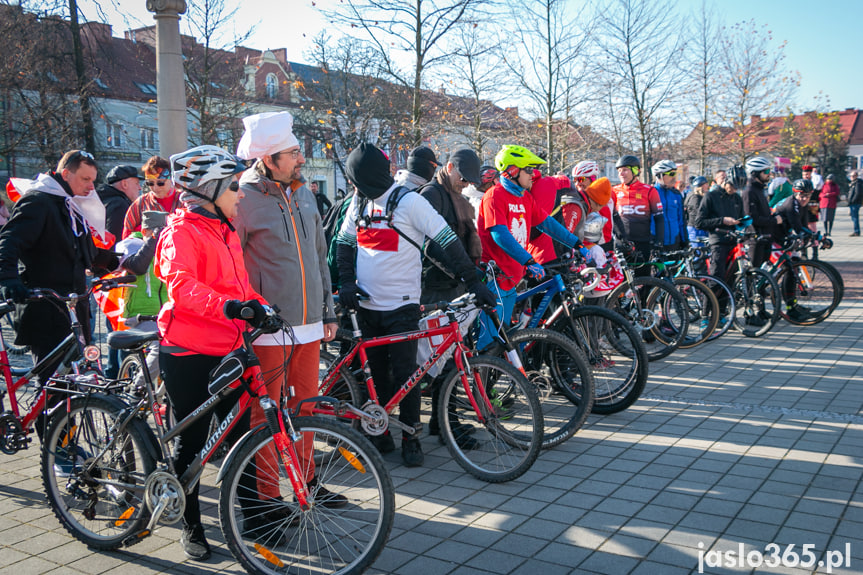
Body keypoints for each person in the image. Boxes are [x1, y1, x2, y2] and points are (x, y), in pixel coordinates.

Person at [335, 143, 494, 468]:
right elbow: (344, 243)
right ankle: (380, 434)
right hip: (367, 306)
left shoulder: (409, 202)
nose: (353, 186)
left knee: (408, 376)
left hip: (403, 307)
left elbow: (447, 240)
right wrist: (347, 282)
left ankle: (411, 436)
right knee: (376, 376)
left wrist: (473, 281)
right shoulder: (360, 201)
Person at [155, 145, 269, 560]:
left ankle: (256, 517)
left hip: (228, 348)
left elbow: (239, 288)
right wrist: (228, 307)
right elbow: (180, 286)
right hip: (189, 351)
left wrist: (262, 306)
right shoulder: (180, 232)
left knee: (242, 436)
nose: (241, 194)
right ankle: (190, 524)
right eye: (234, 186)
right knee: (194, 442)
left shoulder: (224, 230)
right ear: (209, 189)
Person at [233, 111, 343, 512]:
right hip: (267, 329)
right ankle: (267, 498)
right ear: (268, 159)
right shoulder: (242, 199)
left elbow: (318, 255)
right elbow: (233, 264)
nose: (301, 158)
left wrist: (328, 311)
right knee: (266, 415)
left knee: (306, 408)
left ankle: (307, 482)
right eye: (293, 152)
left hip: (311, 323)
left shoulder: (303, 192)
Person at [0, 150, 117, 379]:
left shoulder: (69, 204)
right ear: (66, 174)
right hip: (45, 309)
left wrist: (116, 262)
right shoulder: (38, 200)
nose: (91, 187)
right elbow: (8, 240)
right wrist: (9, 279)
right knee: (52, 390)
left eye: (93, 180)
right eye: (85, 179)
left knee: (75, 387)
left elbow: (82, 251)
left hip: (72, 310)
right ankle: (42, 416)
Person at [475, 144, 586, 351]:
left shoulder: (525, 197)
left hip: (512, 278)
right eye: (528, 169)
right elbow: (500, 234)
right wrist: (529, 260)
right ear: (512, 171)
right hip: (495, 279)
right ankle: (480, 380)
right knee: (490, 341)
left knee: (502, 339)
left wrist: (576, 244)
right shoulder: (494, 196)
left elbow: (547, 224)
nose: (533, 174)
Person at [419, 147, 483, 302]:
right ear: (449, 168)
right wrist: (465, 274)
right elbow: (430, 244)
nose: (466, 185)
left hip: (456, 284)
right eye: (463, 179)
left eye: (470, 182)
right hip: (435, 287)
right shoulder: (431, 194)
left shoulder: (460, 199)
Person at [113, 210, 168, 387]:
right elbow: (138, 267)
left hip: (165, 314)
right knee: (160, 348)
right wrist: (153, 240)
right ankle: (136, 389)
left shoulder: (169, 247)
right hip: (139, 314)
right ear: (145, 231)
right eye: (160, 231)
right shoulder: (130, 244)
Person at [694, 165, 745, 306]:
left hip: (733, 241)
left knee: (729, 281)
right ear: (726, 180)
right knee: (716, 280)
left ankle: (722, 312)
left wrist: (744, 224)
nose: (734, 190)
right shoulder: (711, 196)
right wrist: (722, 220)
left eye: (737, 188)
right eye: (733, 186)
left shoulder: (736, 198)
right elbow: (699, 222)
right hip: (718, 242)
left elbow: (740, 218)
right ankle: (706, 314)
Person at [772, 179, 817, 322]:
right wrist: (812, 236)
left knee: (793, 269)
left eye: (808, 196)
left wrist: (816, 236)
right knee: (788, 270)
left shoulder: (802, 205)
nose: (805, 199)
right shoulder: (791, 204)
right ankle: (789, 308)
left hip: (784, 237)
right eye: (802, 195)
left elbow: (804, 225)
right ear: (795, 193)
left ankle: (792, 305)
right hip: (773, 237)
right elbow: (798, 227)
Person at [613, 155, 664, 270]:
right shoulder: (614, 191)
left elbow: (659, 218)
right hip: (621, 244)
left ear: (636, 171)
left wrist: (658, 243)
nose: (621, 173)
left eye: (625, 170)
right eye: (619, 170)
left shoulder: (649, 190)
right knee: (622, 284)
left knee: (644, 282)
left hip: (642, 243)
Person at [123, 156, 182, 238]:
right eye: (150, 183)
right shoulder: (140, 203)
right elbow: (127, 234)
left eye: (160, 183)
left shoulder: (183, 201)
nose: (155, 188)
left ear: (171, 179)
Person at [741, 156, 781, 268]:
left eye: (770, 171)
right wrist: (773, 220)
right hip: (755, 240)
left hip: (765, 237)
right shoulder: (749, 191)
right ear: (755, 173)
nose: (769, 174)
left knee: (762, 276)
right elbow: (752, 218)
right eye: (766, 171)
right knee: (753, 273)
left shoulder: (760, 189)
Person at [98, 164, 142, 240]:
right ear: (124, 184)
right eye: (136, 183)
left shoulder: (102, 200)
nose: (140, 188)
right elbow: (117, 241)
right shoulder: (120, 205)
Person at [651, 160, 687, 251]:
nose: (674, 177)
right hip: (657, 243)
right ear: (660, 175)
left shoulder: (676, 194)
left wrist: (685, 240)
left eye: (675, 173)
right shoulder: (650, 193)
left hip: (675, 242)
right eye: (671, 174)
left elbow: (681, 219)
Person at [684, 176, 710, 275]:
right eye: (706, 184)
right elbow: (697, 214)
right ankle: (695, 277)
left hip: (698, 228)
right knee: (697, 254)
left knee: (702, 254)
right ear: (701, 186)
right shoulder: (695, 198)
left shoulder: (698, 196)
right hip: (695, 229)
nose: (707, 186)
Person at [801, 165, 820, 232]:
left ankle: (815, 241)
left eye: (807, 174)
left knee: (812, 226)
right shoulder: (801, 183)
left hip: (812, 207)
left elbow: (818, 185)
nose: (805, 176)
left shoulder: (814, 182)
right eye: (804, 175)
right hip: (802, 206)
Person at [848, 170, 861, 237]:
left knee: (855, 218)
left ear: (856, 176)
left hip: (855, 203)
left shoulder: (857, 183)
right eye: (851, 176)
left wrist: (852, 200)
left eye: (853, 176)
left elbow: (857, 193)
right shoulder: (853, 183)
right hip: (852, 203)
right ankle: (856, 231)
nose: (852, 177)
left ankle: (856, 231)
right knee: (853, 217)